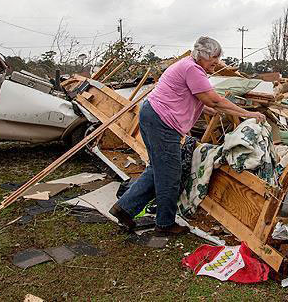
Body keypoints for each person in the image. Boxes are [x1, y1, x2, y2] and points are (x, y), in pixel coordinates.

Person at [109, 36, 266, 235]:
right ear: (202, 56)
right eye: (213, 60)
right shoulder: (192, 69)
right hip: (162, 122)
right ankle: (164, 225)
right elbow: (214, 100)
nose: (216, 64)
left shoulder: (187, 65)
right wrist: (248, 113)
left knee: (158, 168)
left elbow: (190, 96)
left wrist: (205, 108)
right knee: (170, 174)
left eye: (217, 59)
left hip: (153, 114)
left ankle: (124, 208)